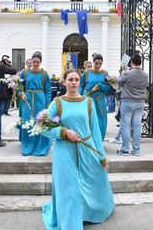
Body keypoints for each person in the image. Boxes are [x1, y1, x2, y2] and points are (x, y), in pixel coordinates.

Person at [41, 69, 114, 230]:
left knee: (90, 183)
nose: (74, 82)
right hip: (64, 152)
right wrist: (63, 132)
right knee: (69, 187)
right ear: (64, 82)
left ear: (80, 82)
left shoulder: (88, 102)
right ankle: (71, 223)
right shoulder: (57, 103)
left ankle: (86, 213)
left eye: (76, 80)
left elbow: (95, 131)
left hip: (86, 149)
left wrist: (101, 156)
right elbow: (43, 127)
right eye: (70, 79)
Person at [18, 51, 52, 156]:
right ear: (31, 61)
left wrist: (47, 103)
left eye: (37, 62)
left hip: (40, 99)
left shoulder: (44, 74)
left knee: (40, 121)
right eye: (34, 62)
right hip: (27, 99)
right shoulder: (24, 72)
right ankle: (28, 145)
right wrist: (21, 93)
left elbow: (48, 89)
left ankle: (40, 145)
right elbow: (19, 87)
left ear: (40, 62)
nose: (35, 64)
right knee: (27, 120)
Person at [117, 53, 148, 156]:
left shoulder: (127, 73)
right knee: (137, 125)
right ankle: (136, 150)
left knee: (125, 125)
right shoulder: (145, 75)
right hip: (140, 102)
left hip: (127, 101)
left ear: (132, 62)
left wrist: (124, 71)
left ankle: (125, 149)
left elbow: (120, 83)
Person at [78, 54, 113, 140]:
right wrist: (79, 97)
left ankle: (99, 140)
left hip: (100, 100)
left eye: (100, 63)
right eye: (96, 63)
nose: (98, 65)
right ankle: (89, 141)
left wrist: (99, 86)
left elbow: (108, 87)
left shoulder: (105, 73)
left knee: (101, 120)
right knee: (89, 120)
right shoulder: (86, 73)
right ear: (93, 62)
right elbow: (81, 86)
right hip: (89, 99)